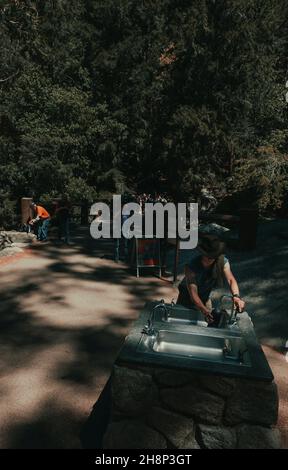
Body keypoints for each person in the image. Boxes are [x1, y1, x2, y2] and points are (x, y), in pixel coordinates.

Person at [177, 234, 245, 325]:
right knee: (182, 323)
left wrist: (236, 297)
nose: (208, 259)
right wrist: (203, 309)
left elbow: (231, 280)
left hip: (204, 298)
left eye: (212, 257)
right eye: (207, 256)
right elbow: (193, 293)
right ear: (202, 253)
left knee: (206, 325)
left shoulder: (222, 262)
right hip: (186, 298)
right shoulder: (191, 266)